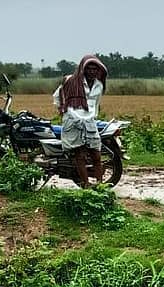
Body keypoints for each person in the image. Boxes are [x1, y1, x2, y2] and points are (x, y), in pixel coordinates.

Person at [52, 55, 107, 188]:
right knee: (79, 156)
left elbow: (96, 104)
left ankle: (100, 185)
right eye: (89, 68)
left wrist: (92, 116)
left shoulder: (98, 85)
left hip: (89, 122)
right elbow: (57, 97)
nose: (92, 71)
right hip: (73, 122)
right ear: (83, 69)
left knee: (96, 155)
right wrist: (65, 111)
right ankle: (86, 184)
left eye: (95, 68)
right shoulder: (70, 80)